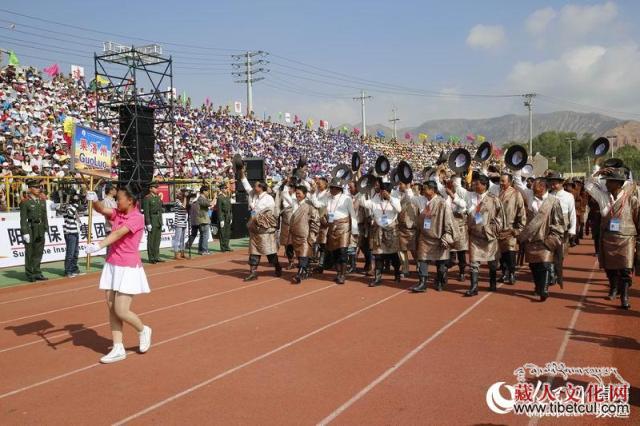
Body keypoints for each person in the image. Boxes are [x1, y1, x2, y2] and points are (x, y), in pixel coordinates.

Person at [85, 186, 152, 364]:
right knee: (111, 308)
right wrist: (94, 200)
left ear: (130, 200)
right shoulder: (117, 213)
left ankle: (142, 329)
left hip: (128, 267)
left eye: (119, 199)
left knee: (121, 310)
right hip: (112, 265)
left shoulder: (137, 217)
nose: (116, 202)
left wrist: (98, 246)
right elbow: (100, 209)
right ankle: (118, 347)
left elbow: (117, 233)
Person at [585, 167, 639, 309]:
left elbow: (637, 218)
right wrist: (597, 173)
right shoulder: (603, 196)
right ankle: (614, 288)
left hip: (626, 238)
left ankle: (625, 296)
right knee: (610, 267)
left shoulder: (631, 198)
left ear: (618, 183)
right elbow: (589, 186)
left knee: (626, 269)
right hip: (608, 237)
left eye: (609, 181)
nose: (606, 183)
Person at [454, 173, 504, 296]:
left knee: (492, 262)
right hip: (475, 236)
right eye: (474, 183)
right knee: (474, 262)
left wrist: (492, 230)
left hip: (489, 236)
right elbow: (457, 187)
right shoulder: (470, 196)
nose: (474, 185)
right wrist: (457, 173)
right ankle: (474, 287)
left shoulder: (494, 199)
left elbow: (500, 217)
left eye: (477, 184)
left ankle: (492, 282)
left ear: (484, 185)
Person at [517, 178, 564, 301]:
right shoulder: (531, 199)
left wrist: (552, 237)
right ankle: (538, 287)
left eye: (535, 186)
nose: (532, 188)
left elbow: (558, 221)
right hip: (531, 240)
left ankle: (544, 289)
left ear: (543, 187)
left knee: (545, 264)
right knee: (534, 266)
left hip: (546, 239)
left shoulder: (553, 202)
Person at [411, 181, 455, 293]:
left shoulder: (442, 203)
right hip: (424, 238)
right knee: (422, 260)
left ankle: (440, 281)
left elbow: (448, 220)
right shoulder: (423, 201)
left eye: (425, 189)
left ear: (432, 190)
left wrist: (447, 234)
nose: (423, 191)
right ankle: (422, 283)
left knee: (440, 263)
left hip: (438, 238)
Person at [240, 167, 281, 281]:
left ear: (262, 188)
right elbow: (246, 184)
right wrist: (242, 173)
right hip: (254, 228)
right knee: (254, 251)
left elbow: (270, 214)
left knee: (270, 252)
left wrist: (258, 217)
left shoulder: (269, 199)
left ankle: (277, 267)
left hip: (265, 229)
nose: (254, 187)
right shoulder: (253, 195)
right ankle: (253, 272)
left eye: (257, 185)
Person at [358, 179, 402, 286]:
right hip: (379, 231)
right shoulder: (375, 201)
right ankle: (377, 277)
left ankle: (397, 273)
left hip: (391, 230)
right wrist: (362, 191)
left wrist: (390, 198)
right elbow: (362, 202)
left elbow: (399, 209)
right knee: (378, 255)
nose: (382, 193)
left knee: (393, 255)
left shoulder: (395, 199)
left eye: (384, 191)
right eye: (381, 191)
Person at [324, 177, 359, 284]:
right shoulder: (328, 198)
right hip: (332, 226)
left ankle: (343, 274)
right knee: (334, 251)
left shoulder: (346, 198)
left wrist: (355, 230)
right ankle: (338, 273)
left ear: (339, 188)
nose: (332, 189)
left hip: (344, 226)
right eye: (331, 187)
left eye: (334, 187)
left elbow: (352, 214)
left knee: (342, 251)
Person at [546, 171, 577, 286]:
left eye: (555, 183)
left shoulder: (569, 196)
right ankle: (552, 274)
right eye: (551, 183)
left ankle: (557, 272)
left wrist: (572, 230)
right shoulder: (548, 195)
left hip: (563, 229)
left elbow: (572, 214)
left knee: (561, 254)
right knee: (549, 250)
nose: (553, 186)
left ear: (561, 183)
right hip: (550, 228)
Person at [497, 172, 526, 285]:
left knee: (510, 252)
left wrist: (519, 228)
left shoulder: (516, 194)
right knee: (502, 253)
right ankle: (504, 273)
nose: (501, 183)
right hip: (499, 228)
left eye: (503, 181)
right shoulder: (498, 193)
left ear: (509, 182)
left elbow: (521, 211)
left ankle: (512, 273)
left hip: (511, 228)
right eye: (500, 181)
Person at [288, 185, 320, 283]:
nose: (297, 195)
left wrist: (312, 234)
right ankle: (305, 271)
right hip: (295, 234)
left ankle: (300, 273)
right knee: (299, 254)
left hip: (305, 234)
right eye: (296, 193)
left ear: (305, 194)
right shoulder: (294, 204)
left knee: (303, 255)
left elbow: (316, 220)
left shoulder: (309, 205)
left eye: (299, 193)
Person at [20, 179, 48, 282]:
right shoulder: (25, 202)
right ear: (30, 189)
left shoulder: (41, 201)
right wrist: (25, 232)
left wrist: (46, 228)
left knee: (38, 252)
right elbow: (23, 219)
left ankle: (37, 272)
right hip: (31, 228)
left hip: (40, 228)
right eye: (36, 187)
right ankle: (29, 274)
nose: (38, 189)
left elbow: (45, 216)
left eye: (39, 187)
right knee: (30, 252)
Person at [142, 182, 163, 264]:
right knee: (151, 240)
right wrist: (148, 223)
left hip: (158, 219)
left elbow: (160, 209)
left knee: (157, 240)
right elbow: (146, 211)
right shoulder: (147, 198)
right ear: (150, 189)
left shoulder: (158, 197)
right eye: (155, 187)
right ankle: (151, 257)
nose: (156, 189)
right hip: (152, 219)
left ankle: (156, 256)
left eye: (157, 188)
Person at [63, 192, 82, 277]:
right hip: (70, 232)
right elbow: (70, 212)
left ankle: (74, 268)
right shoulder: (68, 207)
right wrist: (75, 204)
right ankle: (68, 270)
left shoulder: (74, 207)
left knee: (75, 252)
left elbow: (83, 208)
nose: (77, 200)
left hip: (75, 232)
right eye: (75, 199)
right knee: (70, 253)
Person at [171, 189, 188, 260]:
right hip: (178, 222)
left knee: (182, 239)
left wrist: (187, 198)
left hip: (184, 221)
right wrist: (185, 197)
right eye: (180, 194)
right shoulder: (177, 201)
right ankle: (176, 253)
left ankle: (182, 253)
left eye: (182, 194)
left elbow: (187, 207)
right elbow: (183, 206)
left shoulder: (182, 200)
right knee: (177, 239)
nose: (181, 195)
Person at [195, 185, 212, 255]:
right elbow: (209, 204)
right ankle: (204, 250)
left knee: (202, 235)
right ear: (204, 191)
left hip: (203, 219)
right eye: (207, 191)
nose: (208, 192)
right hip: (203, 219)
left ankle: (200, 250)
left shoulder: (202, 198)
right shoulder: (201, 198)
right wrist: (215, 198)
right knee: (205, 235)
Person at [216, 182, 233, 252]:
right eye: (225, 188)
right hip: (223, 216)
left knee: (227, 232)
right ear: (221, 189)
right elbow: (219, 209)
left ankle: (227, 246)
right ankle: (223, 247)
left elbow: (230, 209)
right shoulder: (220, 198)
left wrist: (231, 217)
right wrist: (221, 219)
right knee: (222, 232)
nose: (226, 189)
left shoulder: (228, 197)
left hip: (228, 216)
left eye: (226, 188)